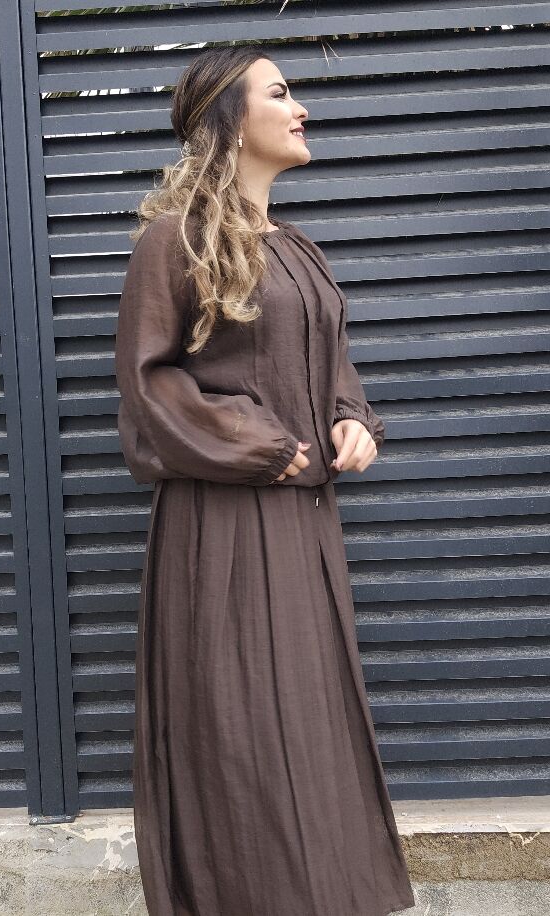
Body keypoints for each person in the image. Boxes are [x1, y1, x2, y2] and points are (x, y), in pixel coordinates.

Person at [114, 45, 416, 916]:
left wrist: (352, 420)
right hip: (223, 528)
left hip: (304, 524)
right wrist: (259, 446)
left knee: (312, 725)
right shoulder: (174, 242)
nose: (301, 109)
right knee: (239, 730)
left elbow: (331, 365)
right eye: (280, 93)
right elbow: (148, 385)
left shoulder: (300, 251)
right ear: (229, 120)